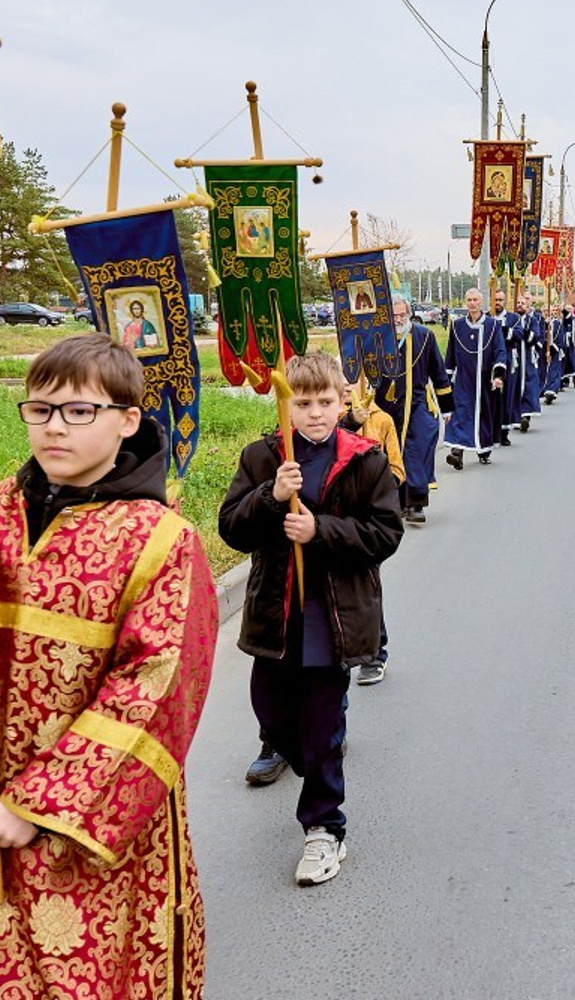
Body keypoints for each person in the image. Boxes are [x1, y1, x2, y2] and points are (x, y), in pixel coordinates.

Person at [0, 334, 217, 994]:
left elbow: (153, 683)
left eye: (77, 411)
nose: (54, 426)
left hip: (87, 822)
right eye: (40, 409)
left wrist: (35, 805)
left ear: (128, 420)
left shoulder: (160, 540)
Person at [220, 351, 401, 887]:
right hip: (276, 614)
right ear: (287, 405)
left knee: (321, 726)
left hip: (334, 615)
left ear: (343, 400)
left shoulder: (364, 458)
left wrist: (320, 530)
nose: (315, 413)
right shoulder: (263, 457)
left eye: (325, 402)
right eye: (303, 403)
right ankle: (311, 758)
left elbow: (385, 534)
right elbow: (232, 527)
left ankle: (324, 826)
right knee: (272, 713)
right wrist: (270, 498)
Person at [343, 380, 406, 687]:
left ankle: (374, 655)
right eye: (339, 385)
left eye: (350, 384)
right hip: (329, 526)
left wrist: (375, 488)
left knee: (366, 589)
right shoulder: (327, 425)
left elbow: (397, 469)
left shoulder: (381, 420)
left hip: (365, 525)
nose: (345, 390)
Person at [375, 293, 452, 527]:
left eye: (402, 315)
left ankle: (416, 503)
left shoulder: (424, 336)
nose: (398, 319)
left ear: (409, 314)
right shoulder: (379, 338)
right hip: (386, 405)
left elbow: (438, 372)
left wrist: (447, 408)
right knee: (389, 453)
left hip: (417, 402)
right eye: (394, 315)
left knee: (417, 449)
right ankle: (396, 502)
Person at [444, 288, 508, 468]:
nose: (472, 303)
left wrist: (497, 376)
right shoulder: (457, 326)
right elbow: (450, 355)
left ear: (481, 302)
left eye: (475, 300)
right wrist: (446, 380)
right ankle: (457, 453)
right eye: (469, 300)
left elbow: (500, 351)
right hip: (463, 380)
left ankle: (483, 450)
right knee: (460, 414)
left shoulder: (492, 325)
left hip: (484, 380)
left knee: (482, 415)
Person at [491, 290, 524, 447]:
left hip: (509, 360)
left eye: (500, 300)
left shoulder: (514, 318)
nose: (497, 302)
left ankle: (504, 431)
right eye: (495, 299)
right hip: (490, 361)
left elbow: (519, 335)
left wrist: (501, 329)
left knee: (506, 396)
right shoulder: (486, 316)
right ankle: (489, 430)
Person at [516, 293, 544, 431]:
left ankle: (525, 416)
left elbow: (535, 336)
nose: (520, 305)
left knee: (529, 385)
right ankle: (515, 415)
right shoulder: (511, 319)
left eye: (523, 303)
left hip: (527, 358)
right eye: (518, 303)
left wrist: (523, 333)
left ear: (527, 306)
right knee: (514, 387)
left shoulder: (532, 320)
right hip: (514, 359)